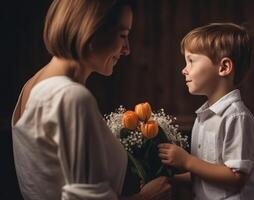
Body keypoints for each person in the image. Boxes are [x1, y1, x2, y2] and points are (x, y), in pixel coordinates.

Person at [11, 0, 171, 199]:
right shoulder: (70, 96)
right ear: (90, 29)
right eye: (123, 35)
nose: (127, 49)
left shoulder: (33, 85)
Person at [158, 23, 254, 200]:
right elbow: (206, 173)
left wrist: (187, 161)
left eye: (191, 61)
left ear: (224, 67)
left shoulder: (236, 117)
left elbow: (236, 177)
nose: (184, 70)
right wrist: (172, 180)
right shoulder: (204, 117)